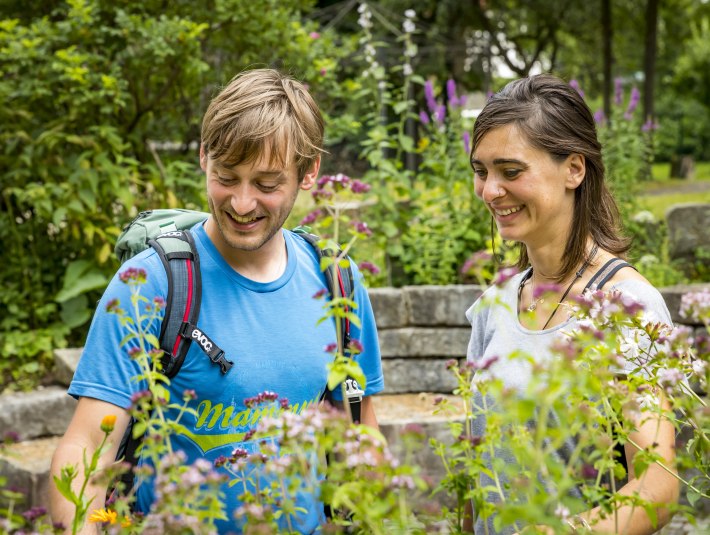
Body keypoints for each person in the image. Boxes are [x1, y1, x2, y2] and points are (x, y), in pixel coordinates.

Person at [49, 68, 384, 534]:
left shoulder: (337, 283)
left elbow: (359, 428)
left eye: (267, 185)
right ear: (205, 158)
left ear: (309, 174)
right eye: (228, 176)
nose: (242, 203)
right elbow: (85, 448)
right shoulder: (149, 285)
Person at [464, 74, 678, 534]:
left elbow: (658, 487)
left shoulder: (625, 307)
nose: (489, 191)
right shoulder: (494, 305)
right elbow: (477, 471)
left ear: (574, 169)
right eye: (481, 171)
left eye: (511, 171)